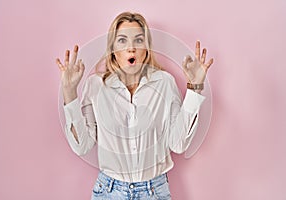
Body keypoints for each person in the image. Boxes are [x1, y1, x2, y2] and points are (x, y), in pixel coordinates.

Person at [56, 12, 213, 200]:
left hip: (155, 191)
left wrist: (195, 88)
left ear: (146, 48)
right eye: (122, 40)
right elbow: (82, 146)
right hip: (109, 191)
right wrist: (69, 92)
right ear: (113, 49)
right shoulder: (95, 86)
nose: (131, 48)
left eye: (138, 40)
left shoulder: (164, 83)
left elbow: (178, 144)